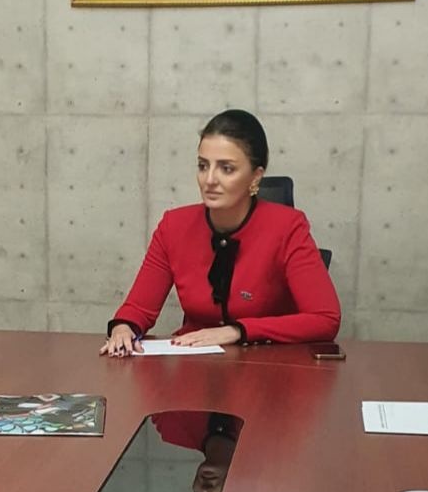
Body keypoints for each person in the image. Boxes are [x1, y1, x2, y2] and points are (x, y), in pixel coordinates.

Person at [100, 109, 341, 357]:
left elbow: (325, 319)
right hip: (193, 368)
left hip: (267, 367)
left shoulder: (288, 227)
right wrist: (124, 327)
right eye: (203, 166)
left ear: (255, 177)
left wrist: (238, 331)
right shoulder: (173, 226)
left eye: (226, 168)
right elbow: (138, 308)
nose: (209, 180)